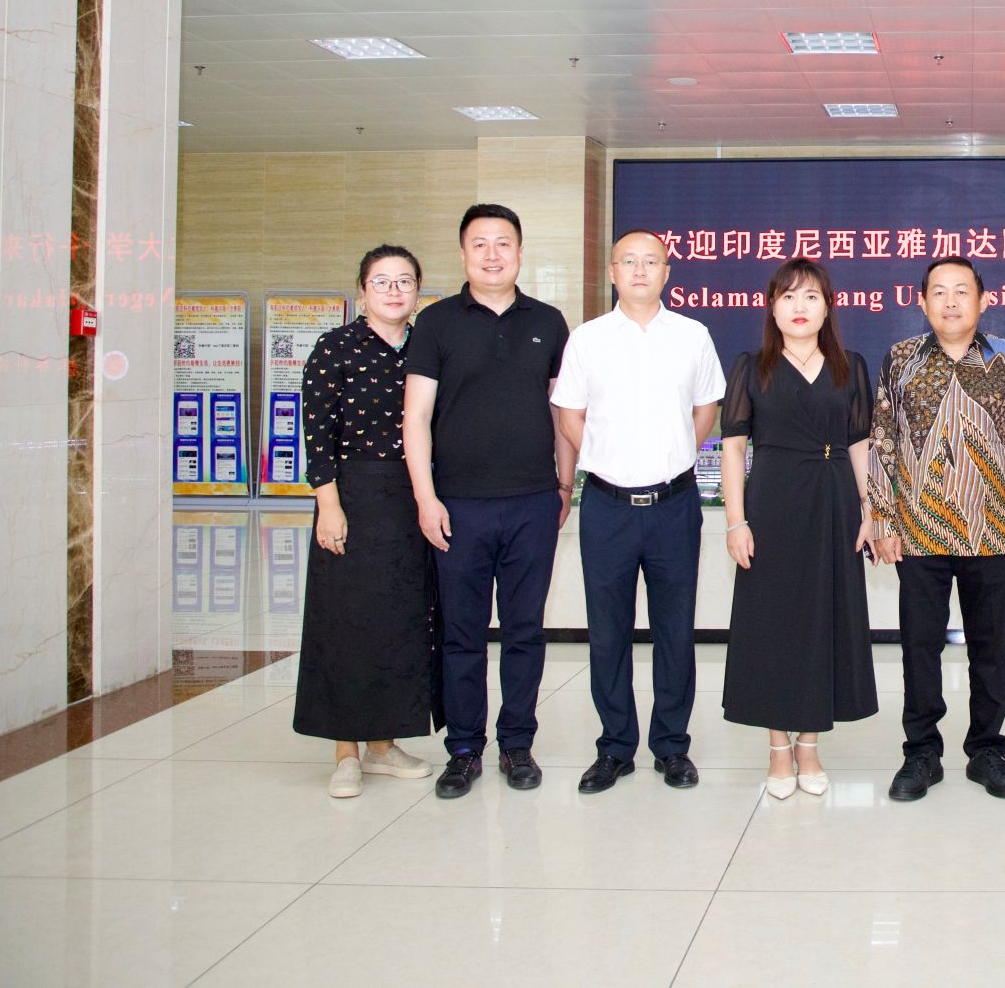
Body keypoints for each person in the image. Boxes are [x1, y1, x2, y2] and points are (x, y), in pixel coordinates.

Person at [403, 204, 573, 800]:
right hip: (458, 504)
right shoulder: (436, 323)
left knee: (525, 630)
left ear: (520, 253)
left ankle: (517, 744)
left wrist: (564, 484)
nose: (492, 254)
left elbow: (561, 411)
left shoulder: (548, 322)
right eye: (480, 244)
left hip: (532, 501)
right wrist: (426, 498)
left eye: (503, 243)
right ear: (463, 254)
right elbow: (415, 417)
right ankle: (464, 749)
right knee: (462, 632)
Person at [552, 230, 725, 795]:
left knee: (676, 630)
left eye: (652, 261)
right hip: (607, 505)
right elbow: (569, 414)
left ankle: (672, 746)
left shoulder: (693, 335)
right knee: (608, 632)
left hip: (675, 504)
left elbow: (706, 409)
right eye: (629, 261)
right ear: (612, 272)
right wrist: (607, 458)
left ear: (667, 272)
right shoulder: (588, 339)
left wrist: (671, 456)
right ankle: (615, 747)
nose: (640, 270)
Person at [869, 256, 1005, 802]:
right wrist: (883, 518)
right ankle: (921, 752)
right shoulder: (900, 359)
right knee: (920, 647)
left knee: (989, 648)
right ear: (922, 303)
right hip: (917, 530)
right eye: (938, 292)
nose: (950, 301)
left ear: (983, 301)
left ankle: (987, 749)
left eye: (961, 291)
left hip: (989, 529)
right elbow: (883, 440)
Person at [719, 257, 879, 798]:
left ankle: (809, 745)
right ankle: (778, 750)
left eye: (811, 296)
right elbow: (734, 448)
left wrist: (870, 509)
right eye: (788, 297)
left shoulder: (851, 366)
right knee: (772, 622)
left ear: (828, 307)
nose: (800, 307)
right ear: (772, 307)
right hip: (772, 503)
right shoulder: (751, 366)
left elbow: (859, 442)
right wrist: (736, 521)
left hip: (834, 501)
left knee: (824, 619)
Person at [294, 245, 441, 798]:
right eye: (382, 281)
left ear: (419, 291)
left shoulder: (427, 346)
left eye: (405, 281)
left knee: (401, 621)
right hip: (353, 495)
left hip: (414, 496)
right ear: (362, 291)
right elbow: (316, 433)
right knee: (347, 621)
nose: (394, 291)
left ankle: (384, 745)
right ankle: (345, 752)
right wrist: (328, 505)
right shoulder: (335, 347)